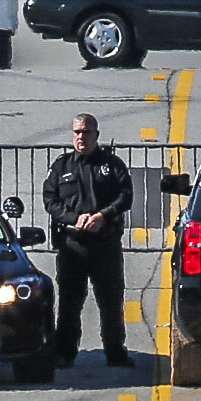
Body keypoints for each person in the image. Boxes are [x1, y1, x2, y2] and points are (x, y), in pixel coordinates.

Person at [41, 113, 135, 368]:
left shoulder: (112, 164)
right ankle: (65, 351)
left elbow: (125, 196)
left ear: (96, 135)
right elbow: (50, 200)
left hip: (105, 244)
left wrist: (103, 216)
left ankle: (115, 351)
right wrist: (73, 218)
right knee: (70, 301)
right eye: (77, 132)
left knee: (111, 300)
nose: (81, 137)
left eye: (86, 132)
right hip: (73, 244)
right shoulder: (62, 166)